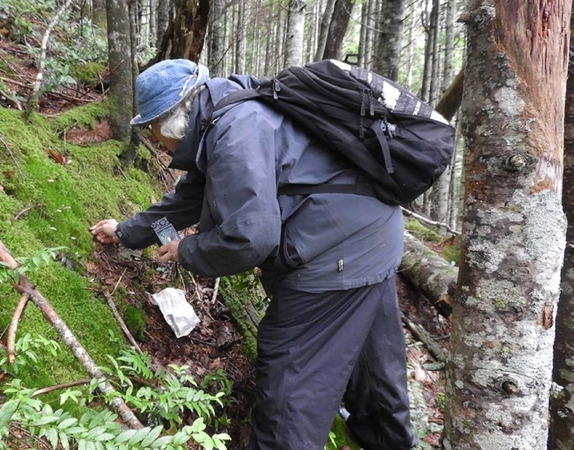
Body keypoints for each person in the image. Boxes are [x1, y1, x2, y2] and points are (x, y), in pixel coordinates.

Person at [90, 58, 417, 450]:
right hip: (372, 238)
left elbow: (251, 238)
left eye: (151, 129)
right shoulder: (229, 115)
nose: (154, 140)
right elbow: (188, 198)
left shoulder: (234, 133)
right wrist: (125, 231)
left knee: (288, 398)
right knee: (375, 374)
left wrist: (187, 249)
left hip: (332, 257)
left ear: (169, 122)